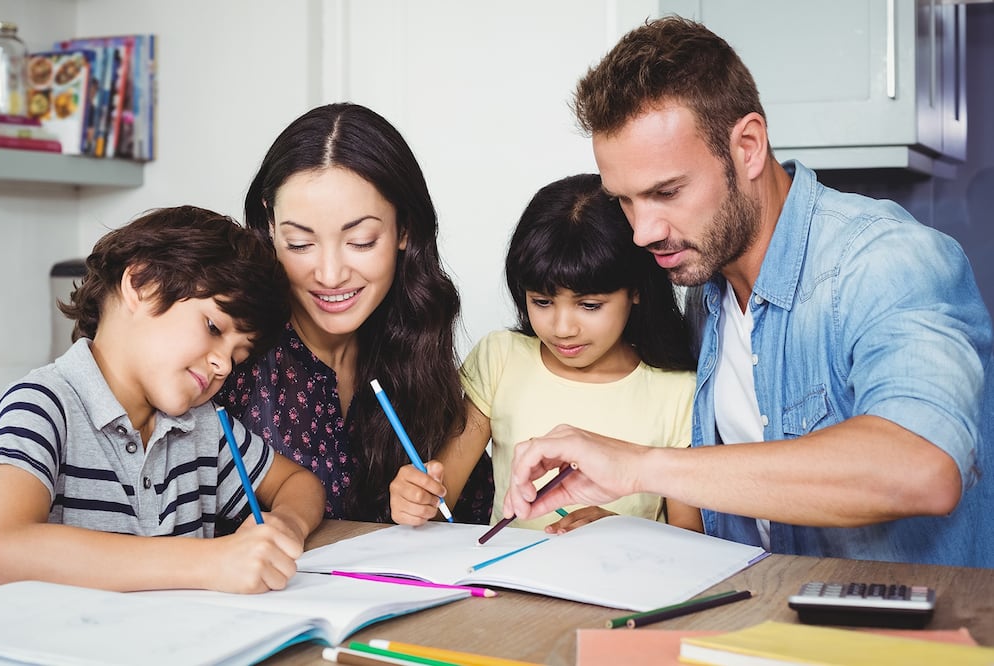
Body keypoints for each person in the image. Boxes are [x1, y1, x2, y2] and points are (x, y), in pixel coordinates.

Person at [503, 16, 993, 566]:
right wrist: (626, 531)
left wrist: (641, 464)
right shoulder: (703, 288)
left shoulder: (884, 261)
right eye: (625, 200)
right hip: (757, 630)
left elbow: (921, 467)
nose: (642, 232)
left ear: (749, 147)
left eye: (667, 191)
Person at [0, 206, 326, 593]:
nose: (223, 364)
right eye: (213, 327)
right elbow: (4, 553)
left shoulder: (202, 425)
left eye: (238, 356)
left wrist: (286, 523)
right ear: (141, 284)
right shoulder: (42, 405)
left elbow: (298, 483)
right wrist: (212, 561)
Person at [217, 103, 494, 524]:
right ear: (270, 226)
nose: (329, 275)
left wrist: (428, 503)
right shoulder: (227, 355)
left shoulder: (414, 344)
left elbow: (474, 522)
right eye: (299, 243)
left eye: (361, 241)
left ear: (405, 230)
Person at [389, 174, 702, 533]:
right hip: (507, 585)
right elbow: (442, 498)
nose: (562, 327)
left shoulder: (678, 391)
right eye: (541, 301)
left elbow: (690, 538)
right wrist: (417, 498)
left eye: (589, 305)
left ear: (636, 290)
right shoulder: (501, 358)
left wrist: (620, 531)